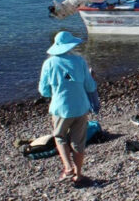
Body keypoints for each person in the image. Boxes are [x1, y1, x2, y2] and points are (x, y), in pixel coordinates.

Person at [39, 31, 98, 184]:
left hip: (61, 108)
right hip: (81, 106)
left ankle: (68, 168)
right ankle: (78, 174)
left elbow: (44, 90)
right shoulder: (79, 61)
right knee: (79, 142)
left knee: (60, 137)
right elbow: (90, 86)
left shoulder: (49, 64)